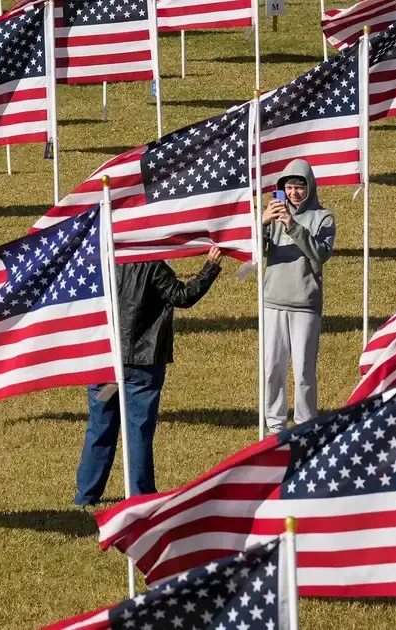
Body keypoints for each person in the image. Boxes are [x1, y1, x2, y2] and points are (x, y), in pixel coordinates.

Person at [74, 246, 224, 506]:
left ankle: (86, 496)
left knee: (99, 427)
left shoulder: (100, 262)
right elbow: (183, 296)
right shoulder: (153, 266)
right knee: (138, 432)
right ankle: (140, 496)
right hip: (143, 367)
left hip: (105, 362)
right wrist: (210, 267)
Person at [261, 158, 335, 433]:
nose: (294, 193)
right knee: (272, 368)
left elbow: (320, 254)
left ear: (310, 188)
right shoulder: (273, 215)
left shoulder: (323, 217)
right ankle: (275, 424)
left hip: (305, 304)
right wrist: (263, 222)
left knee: (304, 369)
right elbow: (253, 252)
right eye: (289, 188)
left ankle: (305, 424)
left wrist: (292, 225)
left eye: (299, 188)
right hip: (273, 301)